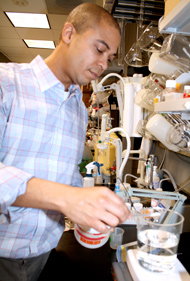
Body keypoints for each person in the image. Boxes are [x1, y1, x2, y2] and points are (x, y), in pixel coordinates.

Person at [0, 3, 130, 281]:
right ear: (69, 33)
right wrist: (67, 199)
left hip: (44, 253)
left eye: (110, 56)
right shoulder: (6, 83)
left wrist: (89, 205)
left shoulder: (78, 109)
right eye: (99, 49)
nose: (104, 64)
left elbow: (63, 172)